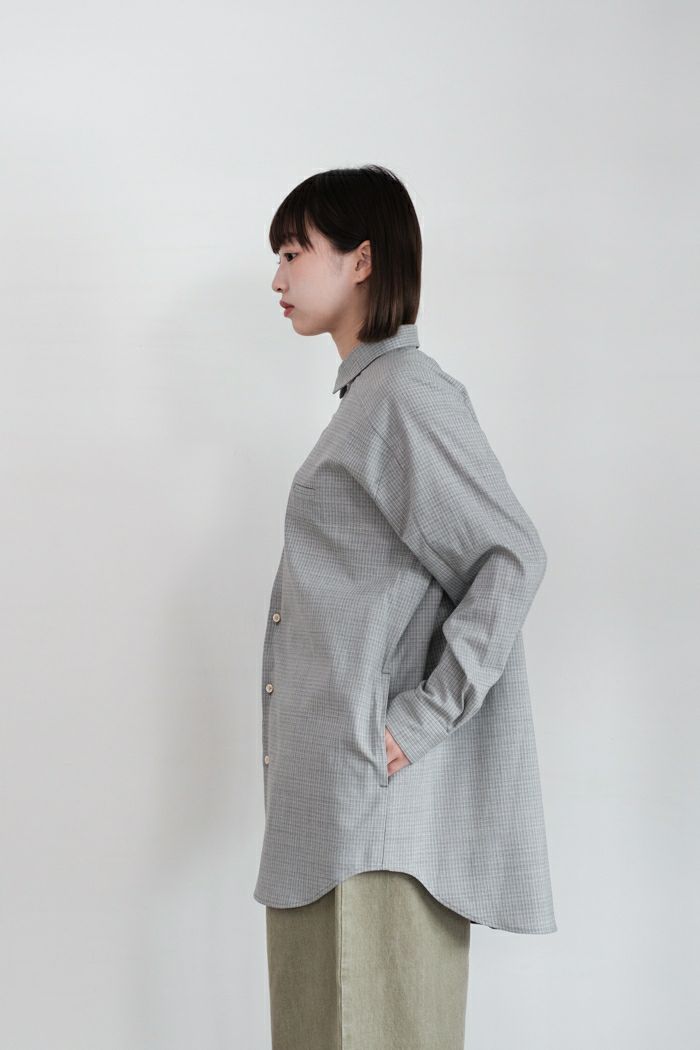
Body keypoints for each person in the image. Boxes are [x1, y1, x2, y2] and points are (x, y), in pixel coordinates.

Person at [254, 164, 557, 1050]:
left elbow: (511, 556)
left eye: (294, 252)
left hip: (375, 826)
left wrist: (416, 722)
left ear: (361, 260)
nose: (277, 277)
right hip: (332, 818)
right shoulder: (370, 401)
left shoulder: (407, 396)